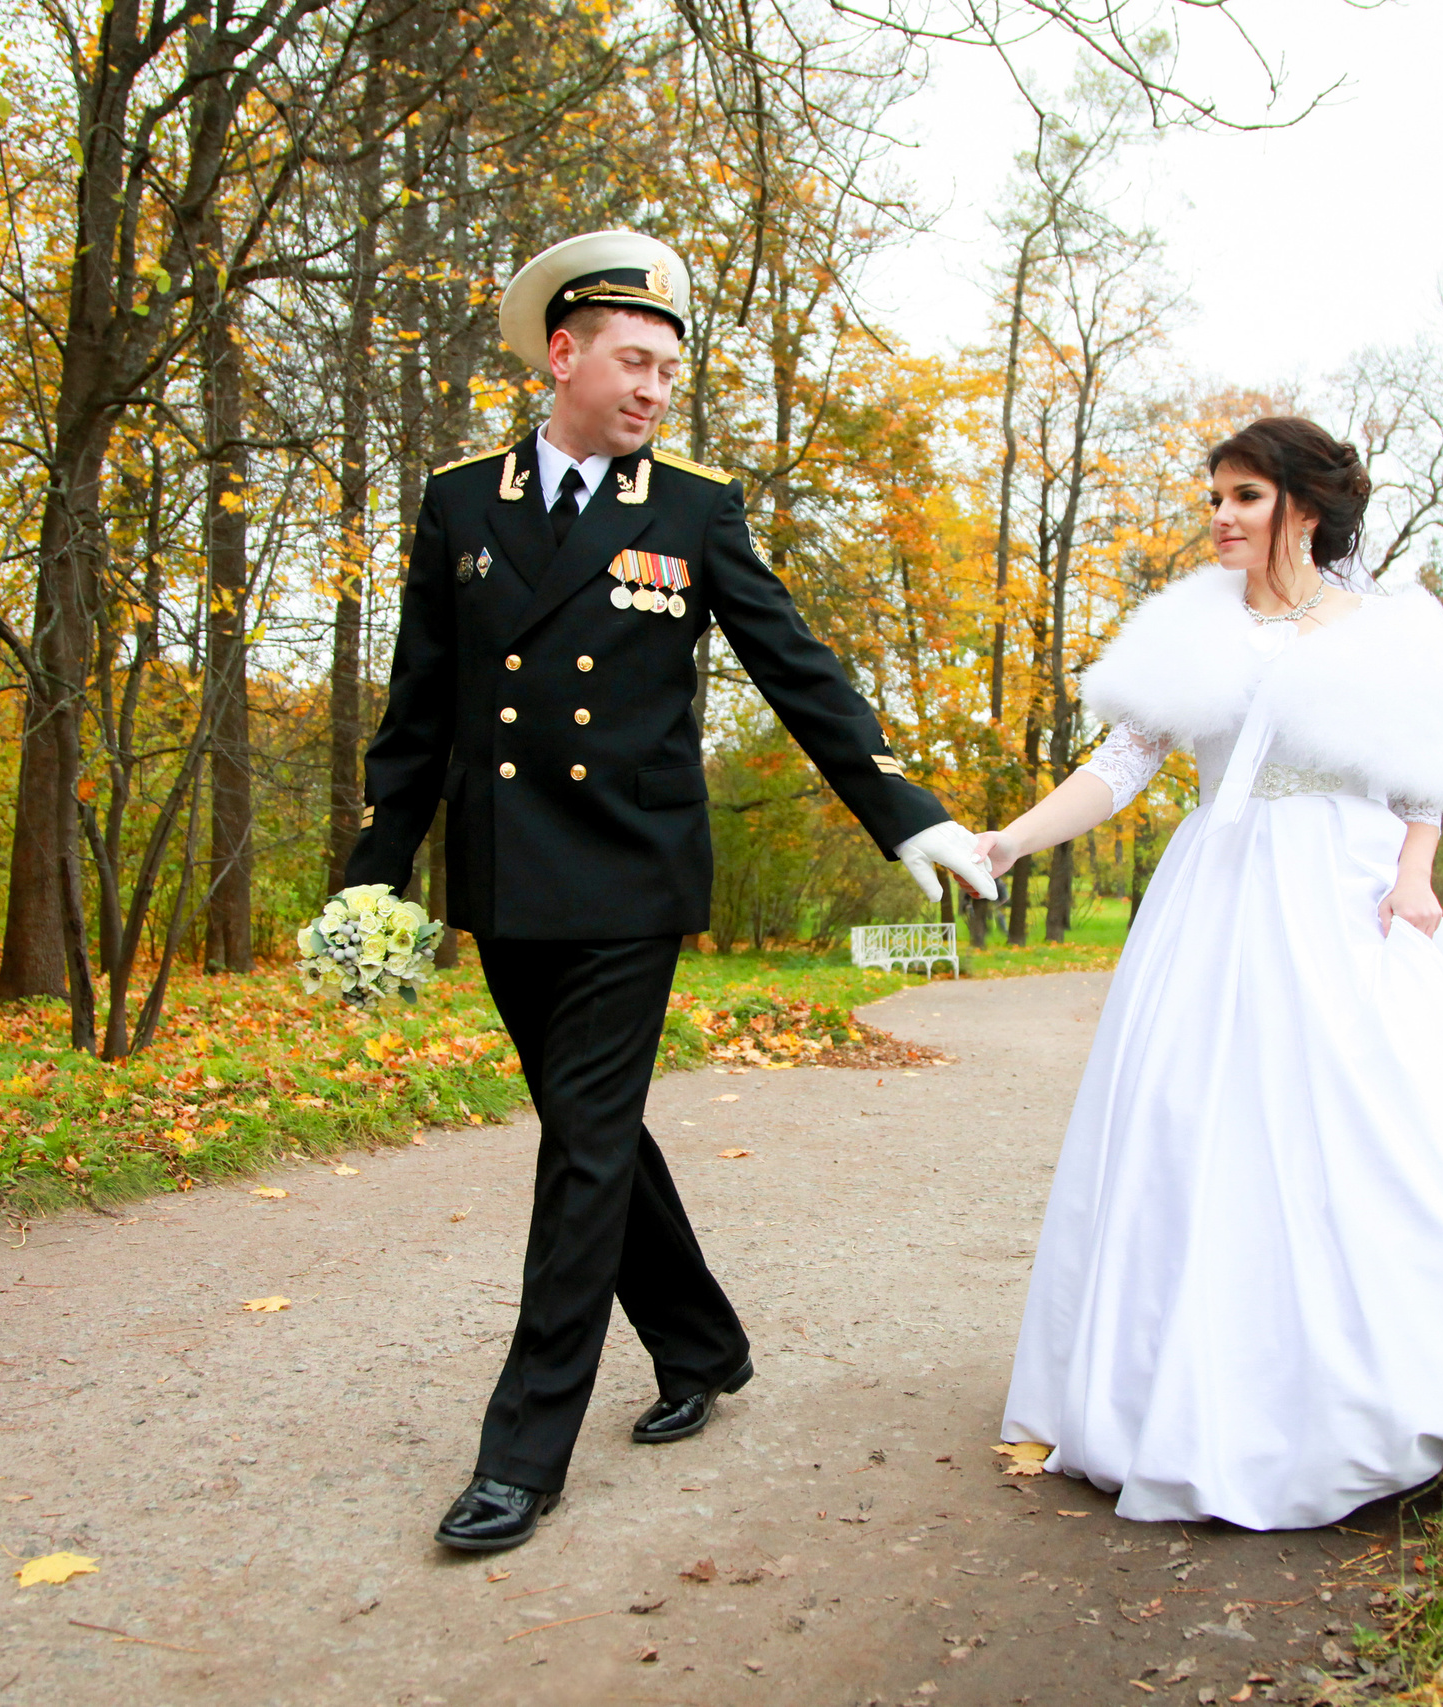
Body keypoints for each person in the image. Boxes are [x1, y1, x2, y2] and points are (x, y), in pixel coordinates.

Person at [338, 229, 996, 1553]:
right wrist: (371, 883)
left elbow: (797, 665)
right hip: (509, 870)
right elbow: (419, 712)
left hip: (634, 875)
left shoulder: (691, 509)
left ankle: (522, 1451)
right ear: (562, 353)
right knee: (600, 1137)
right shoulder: (462, 500)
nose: (653, 388)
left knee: (580, 1146)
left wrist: (905, 812)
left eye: (668, 369)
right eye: (634, 361)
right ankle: (701, 1341)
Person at [979, 416, 1443, 1530]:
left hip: (1348, 895)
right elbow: (1120, 765)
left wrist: (1417, 876)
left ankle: (1423, 1379)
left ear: (1302, 506)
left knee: (1381, 1126)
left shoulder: (1391, 631)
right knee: (1197, 1130)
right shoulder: (1184, 630)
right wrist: (1010, 841)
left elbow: (1427, 777)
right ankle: (1203, 1392)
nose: (1219, 515)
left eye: (1243, 496)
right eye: (1215, 495)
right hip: (1215, 898)